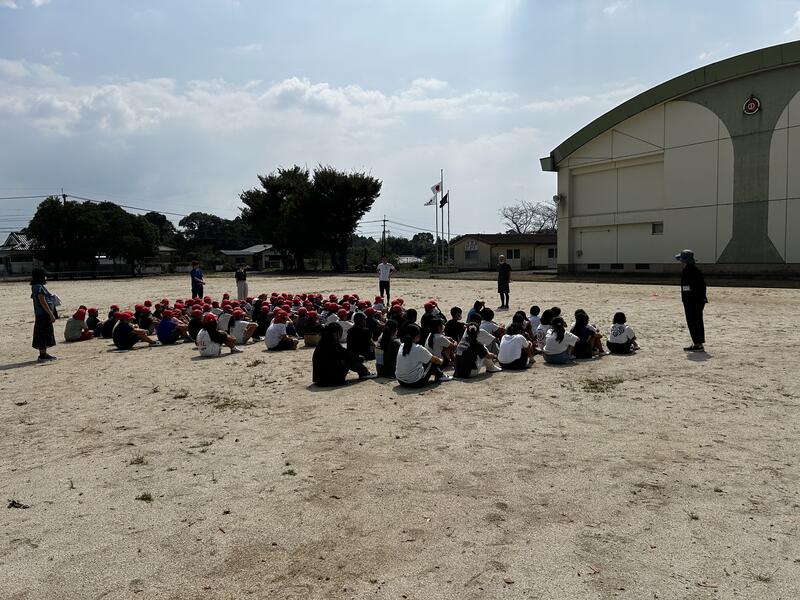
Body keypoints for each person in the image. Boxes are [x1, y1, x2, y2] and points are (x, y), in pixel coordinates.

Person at [312, 323, 376, 386]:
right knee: (349, 360)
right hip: (331, 380)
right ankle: (364, 373)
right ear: (335, 333)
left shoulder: (322, 343)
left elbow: (343, 352)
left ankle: (364, 373)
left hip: (319, 380)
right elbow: (347, 354)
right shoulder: (333, 344)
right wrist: (359, 357)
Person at [676, 249, 708, 352]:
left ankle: (698, 344)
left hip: (691, 300)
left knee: (693, 322)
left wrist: (686, 300)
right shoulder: (696, 270)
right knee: (697, 321)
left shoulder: (687, 271)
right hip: (699, 300)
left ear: (684, 260)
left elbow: (686, 287)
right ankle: (698, 343)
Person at [30, 268, 57, 361]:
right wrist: (51, 314)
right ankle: (43, 355)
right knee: (43, 334)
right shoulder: (39, 287)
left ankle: (43, 354)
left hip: (39, 314)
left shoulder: (35, 286)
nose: (46, 277)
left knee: (41, 334)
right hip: (43, 314)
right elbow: (43, 302)